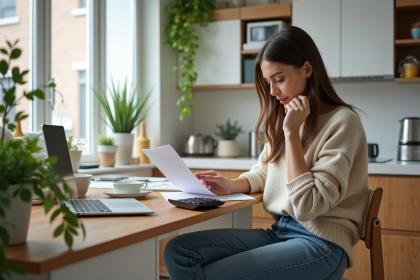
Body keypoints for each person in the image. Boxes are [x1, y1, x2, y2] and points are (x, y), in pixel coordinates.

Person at [163, 26, 370, 280]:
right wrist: (231, 185)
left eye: (279, 79)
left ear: (307, 69)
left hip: (321, 244)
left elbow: (307, 207)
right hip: (281, 231)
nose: (272, 91)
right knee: (178, 251)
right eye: (268, 82)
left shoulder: (343, 122)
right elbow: (266, 170)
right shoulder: (289, 118)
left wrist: (292, 134)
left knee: (215, 275)